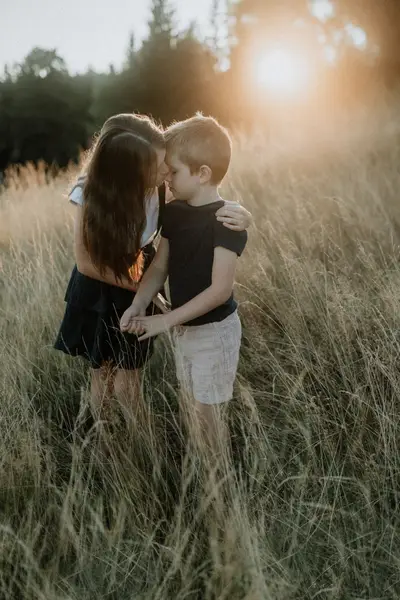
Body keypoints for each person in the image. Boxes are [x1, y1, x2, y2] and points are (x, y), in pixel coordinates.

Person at [54, 113, 252, 429]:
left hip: (141, 277)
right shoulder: (88, 193)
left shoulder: (163, 187)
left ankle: (144, 449)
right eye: (157, 166)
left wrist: (242, 215)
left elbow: (205, 194)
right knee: (101, 378)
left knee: (127, 383)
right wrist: (147, 295)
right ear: (130, 171)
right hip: (99, 285)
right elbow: (85, 263)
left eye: (166, 165)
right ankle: (110, 450)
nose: (164, 172)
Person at [120, 114, 247, 456]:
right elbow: (159, 266)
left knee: (207, 416)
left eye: (174, 172)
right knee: (191, 410)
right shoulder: (175, 213)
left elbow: (220, 291)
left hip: (214, 331)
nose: (167, 180)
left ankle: (219, 490)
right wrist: (138, 303)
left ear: (202, 173)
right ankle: (202, 476)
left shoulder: (227, 222)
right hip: (185, 330)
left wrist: (164, 320)